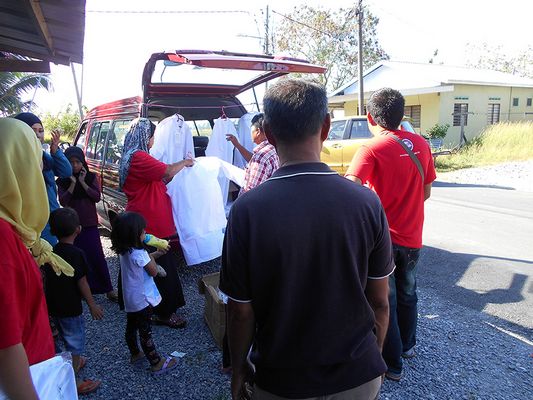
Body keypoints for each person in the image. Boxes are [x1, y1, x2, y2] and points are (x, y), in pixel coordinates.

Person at [219, 79, 393, 400]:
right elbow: (380, 301)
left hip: (281, 382)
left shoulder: (247, 211)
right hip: (357, 377)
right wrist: (376, 357)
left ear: (268, 134)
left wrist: (240, 367)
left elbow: (240, 311)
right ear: (326, 126)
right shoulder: (367, 203)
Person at [345, 87, 437, 381]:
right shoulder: (421, 145)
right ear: (402, 114)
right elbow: (426, 192)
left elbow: (350, 190)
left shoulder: (371, 148)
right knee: (409, 292)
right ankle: (408, 346)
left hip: (383, 239)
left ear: (370, 117)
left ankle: (393, 365)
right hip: (413, 237)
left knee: (387, 301)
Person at [0, 118, 57, 399]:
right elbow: (6, 344)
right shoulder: (2, 237)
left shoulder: (13, 229)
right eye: (33, 160)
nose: (39, 169)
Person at [119, 117, 193, 328]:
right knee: (158, 268)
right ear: (145, 136)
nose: (153, 142)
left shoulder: (132, 156)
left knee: (140, 268)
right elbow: (167, 171)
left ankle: (143, 307)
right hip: (149, 224)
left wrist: (173, 173)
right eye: (152, 137)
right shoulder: (138, 156)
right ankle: (163, 312)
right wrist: (185, 162)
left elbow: (160, 179)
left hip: (144, 220)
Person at [110, 211, 178, 374]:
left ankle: (135, 354)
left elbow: (143, 261)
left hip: (130, 298)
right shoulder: (139, 253)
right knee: (145, 332)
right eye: (142, 231)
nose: (145, 233)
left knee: (131, 327)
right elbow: (153, 271)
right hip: (142, 299)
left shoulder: (125, 250)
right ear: (134, 235)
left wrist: (156, 254)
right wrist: (155, 256)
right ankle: (156, 362)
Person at [45, 207, 104, 396]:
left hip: (52, 306)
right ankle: (73, 379)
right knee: (74, 342)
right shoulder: (77, 254)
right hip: (71, 308)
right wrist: (92, 305)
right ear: (78, 229)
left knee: (61, 337)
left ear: (52, 231)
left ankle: (70, 362)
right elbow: (82, 282)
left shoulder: (49, 252)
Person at [57, 146, 118, 301]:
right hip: (72, 226)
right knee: (76, 258)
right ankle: (83, 291)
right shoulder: (63, 181)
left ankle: (108, 288)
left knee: (97, 256)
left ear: (82, 162)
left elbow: (96, 197)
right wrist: (72, 184)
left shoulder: (91, 177)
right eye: (71, 162)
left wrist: (83, 183)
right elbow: (63, 201)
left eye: (77, 162)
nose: (75, 165)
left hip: (89, 224)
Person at [14, 112, 72, 245]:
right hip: (29, 223)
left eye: (40, 131)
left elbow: (66, 171)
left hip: (50, 219)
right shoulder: (13, 158)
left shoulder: (45, 158)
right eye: (32, 130)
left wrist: (55, 150)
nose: (38, 134)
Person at [226, 113, 279, 193]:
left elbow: (251, 191)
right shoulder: (274, 148)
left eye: (251, 130)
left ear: (258, 131)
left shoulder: (261, 156)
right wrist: (237, 145)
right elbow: (254, 159)